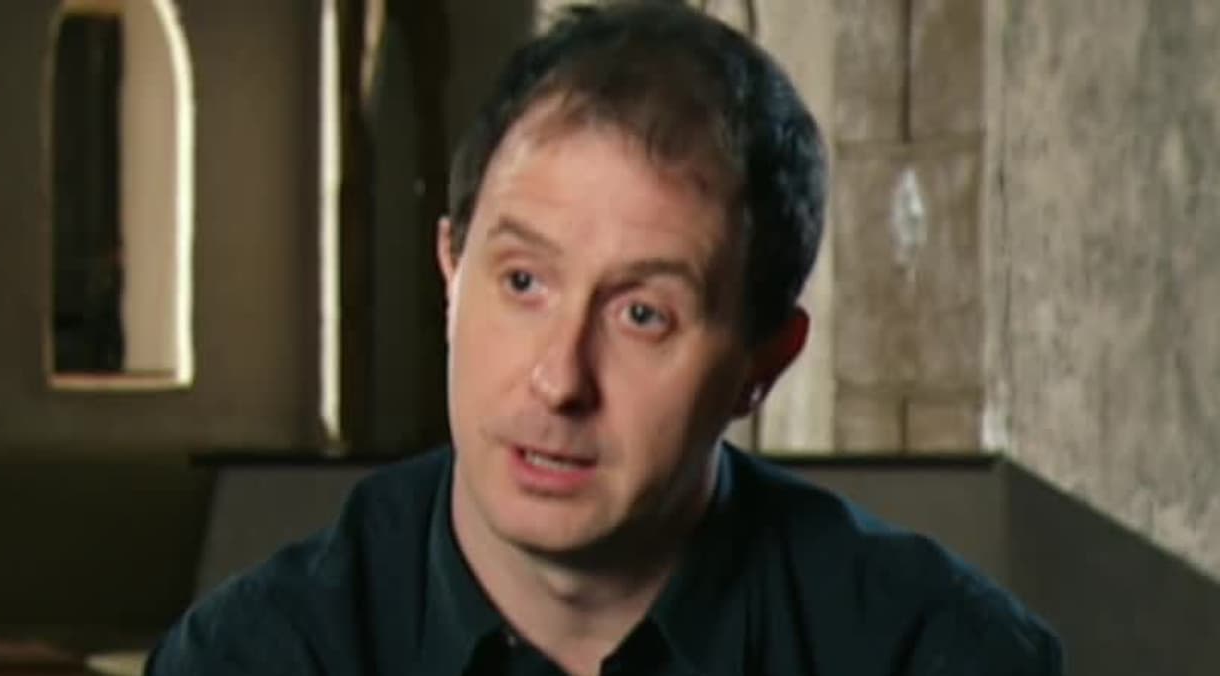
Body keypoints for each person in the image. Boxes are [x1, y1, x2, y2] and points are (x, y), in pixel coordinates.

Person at [147, 2, 1062, 675]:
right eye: (523, 283)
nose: (559, 380)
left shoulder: (935, 653)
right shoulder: (259, 655)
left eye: (642, 315)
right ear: (451, 275)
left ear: (762, 363)